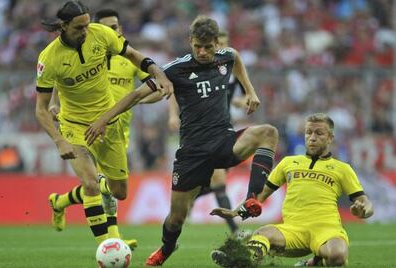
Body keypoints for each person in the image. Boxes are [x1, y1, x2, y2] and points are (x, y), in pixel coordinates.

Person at [84, 15, 279, 266]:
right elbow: (134, 95)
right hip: (191, 153)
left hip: (223, 140)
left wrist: (250, 91)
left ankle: (252, 198)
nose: (202, 51)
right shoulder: (175, 69)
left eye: (208, 47)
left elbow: (237, 58)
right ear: (190, 41)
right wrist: (103, 119)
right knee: (176, 218)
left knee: (268, 132)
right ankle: (166, 248)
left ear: (216, 44)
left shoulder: (226, 56)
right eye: (197, 45)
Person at [35, 0, 172, 245]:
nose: (85, 32)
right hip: (74, 125)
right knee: (90, 184)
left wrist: (158, 73)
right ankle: (108, 246)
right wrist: (59, 140)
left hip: (110, 124)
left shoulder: (102, 35)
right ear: (63, 27)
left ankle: (60, 201)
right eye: (79, 28)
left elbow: (134, 55)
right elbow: (41, 109)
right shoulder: (49, 58)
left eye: (87, 26)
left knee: (119, 192)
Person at [210, 113, 374, 267]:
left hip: (327, 229)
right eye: (308, 132)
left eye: (319, 133)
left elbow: (365, 203)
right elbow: (260, 196)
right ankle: (239, 261)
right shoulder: (288, 162)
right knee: (262, 233)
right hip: (293, 230)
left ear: (331, 137)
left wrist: (364, 211)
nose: (312, 138)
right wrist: (235, 213)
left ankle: (313, 262)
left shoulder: (342, 169)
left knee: (337, 256)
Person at [167, 31, 247, 236]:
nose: (223, 48)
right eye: (220, 43)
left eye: (226, 44)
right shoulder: (198, 70)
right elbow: (175, 90)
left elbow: (242, 95)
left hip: (222, 129)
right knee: (219, 183)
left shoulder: (229, 69)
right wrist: (173, 115)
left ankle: (191, 199)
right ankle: (235, 230)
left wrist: (243, 100)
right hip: (198, 134)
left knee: (212, 182)